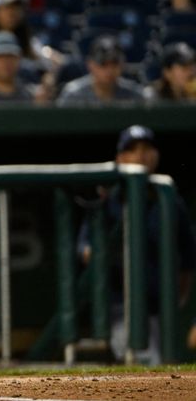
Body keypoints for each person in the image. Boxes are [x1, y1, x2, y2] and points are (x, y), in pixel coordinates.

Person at [78, 125, 196, 365]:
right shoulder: (108, 198)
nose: (141, 155)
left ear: (156, 155)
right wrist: (102, 257)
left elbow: (189, 256)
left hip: (160, 309)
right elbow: (84, 248)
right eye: (132, 150)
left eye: (146, 149)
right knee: (147, 363)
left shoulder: (168, 197)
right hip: (119, 307)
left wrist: (179, 297)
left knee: (165, 368)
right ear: (120, 158)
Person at [57, 35, 146, 105]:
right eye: (103, 64)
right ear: (90, 64)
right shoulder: (73, 94)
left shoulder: (135, 95)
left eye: (114, 64)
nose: (109, 70)